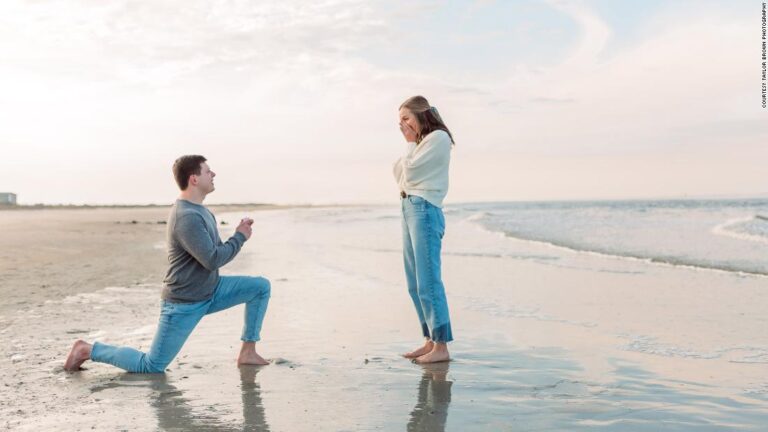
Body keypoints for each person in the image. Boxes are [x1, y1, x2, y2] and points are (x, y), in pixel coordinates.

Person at [64, 155, 271, 373]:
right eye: (208, 171)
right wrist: (239, 237)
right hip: (184, 302)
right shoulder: (186, 216)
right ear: (193, 179)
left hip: (211, 290)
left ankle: (248, 351)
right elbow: (212, 260)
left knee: (260, 287)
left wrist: (237, 237)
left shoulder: (202, 211)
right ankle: (86, 349)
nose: (213, 174)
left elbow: (217, 251)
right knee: (152, 365)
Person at [393, 95, 455, 364]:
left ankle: (441, 346)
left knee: (429, 281)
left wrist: (408, 147)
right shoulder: (420, 144)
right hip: (409, 207)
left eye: (406, 118)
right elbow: (401, 176)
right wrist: (410, 149)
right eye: (399, 121)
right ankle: (429, 340)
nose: (402, 125)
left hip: (425, 209)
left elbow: (411, 172)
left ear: (421, 115)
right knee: (414, 283)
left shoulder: (438, 138)